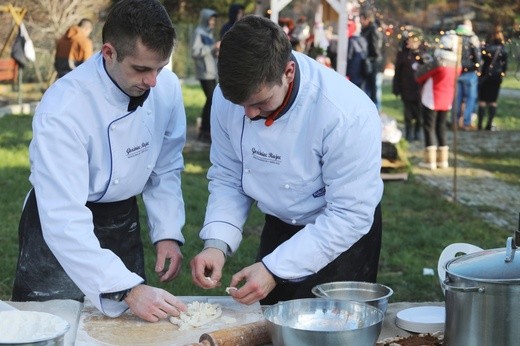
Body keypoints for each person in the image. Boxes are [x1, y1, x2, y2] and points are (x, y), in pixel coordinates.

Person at [11, 0, 187, 322]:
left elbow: (165, 167)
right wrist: (127, 289)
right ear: (108, 52)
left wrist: (167, 232)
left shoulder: (167, 89)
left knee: (125, 333)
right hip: (57, 226)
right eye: (141, 69)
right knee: (49, 325)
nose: (153, 82)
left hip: (122, 220)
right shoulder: (63, 109)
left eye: (160, 68)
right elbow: (63, 217)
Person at [190, 15, 383, 306]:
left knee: (330, 332)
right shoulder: (226, 97)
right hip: (280, 224)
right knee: (270, 325)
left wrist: (273, 268)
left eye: (260, 102)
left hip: (341, 233)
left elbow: (350, 215)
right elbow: (229, 175)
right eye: (240, 104)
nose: (249, 115)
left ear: (289, 72)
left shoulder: (346, 114)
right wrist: (217, 242)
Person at [415, 31, 459, 170]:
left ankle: (430, 161)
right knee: (441, 127)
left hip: (433, 97)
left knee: (429, 127)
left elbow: (420, 76)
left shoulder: (439, 62)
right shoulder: (457, 64)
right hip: (447, 98)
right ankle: (443, 160)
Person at [192, 9, 220, 143]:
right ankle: (205, 131)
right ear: (205, 19)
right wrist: (212, 47)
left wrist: (216, 51)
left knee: (211, 101)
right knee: (211, 100)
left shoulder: (209, 33)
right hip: (204, 73)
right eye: (211, 19)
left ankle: (206, 130)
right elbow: (195, 52)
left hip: (212, 72)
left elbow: (208, 52)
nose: (213, 22)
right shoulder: (199, 32)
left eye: (214, 19)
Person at [392, 29, 423, 141]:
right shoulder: (403, 55)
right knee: (408, 114)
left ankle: (417, 131)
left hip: (419, 89)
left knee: (419, 114)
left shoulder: (422, 55)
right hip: (406, 88)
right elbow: (398, 72)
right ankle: (409, 132)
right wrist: (396, 88)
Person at [477, 26, 508, 131]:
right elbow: (505, 65)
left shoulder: (486, 48)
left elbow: (480, 60)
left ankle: (480, 124)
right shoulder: (503, 49)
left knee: (482, 100)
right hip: (497, 76)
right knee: (493, 101)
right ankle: (489, 124)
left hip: (485, 75)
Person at [453, 19, 481, 131]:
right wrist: (478, 69)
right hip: (470, 71)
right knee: (470, 98)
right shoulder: (472, 37)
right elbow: (477, 55)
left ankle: (455, 121)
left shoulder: (455, 36)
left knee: (457, 98)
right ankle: (466, 122)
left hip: (457, 71)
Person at [360, 9, 384, 111]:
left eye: (361, 19)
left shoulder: (373, 30)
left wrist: (369, 58)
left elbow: (375, 49)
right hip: (370, 64)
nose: (360, 21)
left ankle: (376, 112)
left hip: (374, 65)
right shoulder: (366, 30)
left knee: (374, 90)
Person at [346, 18, 368, 89]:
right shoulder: (363, 40)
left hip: (354, 70)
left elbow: (349, 56)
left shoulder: (351, 41)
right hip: (362, 69)